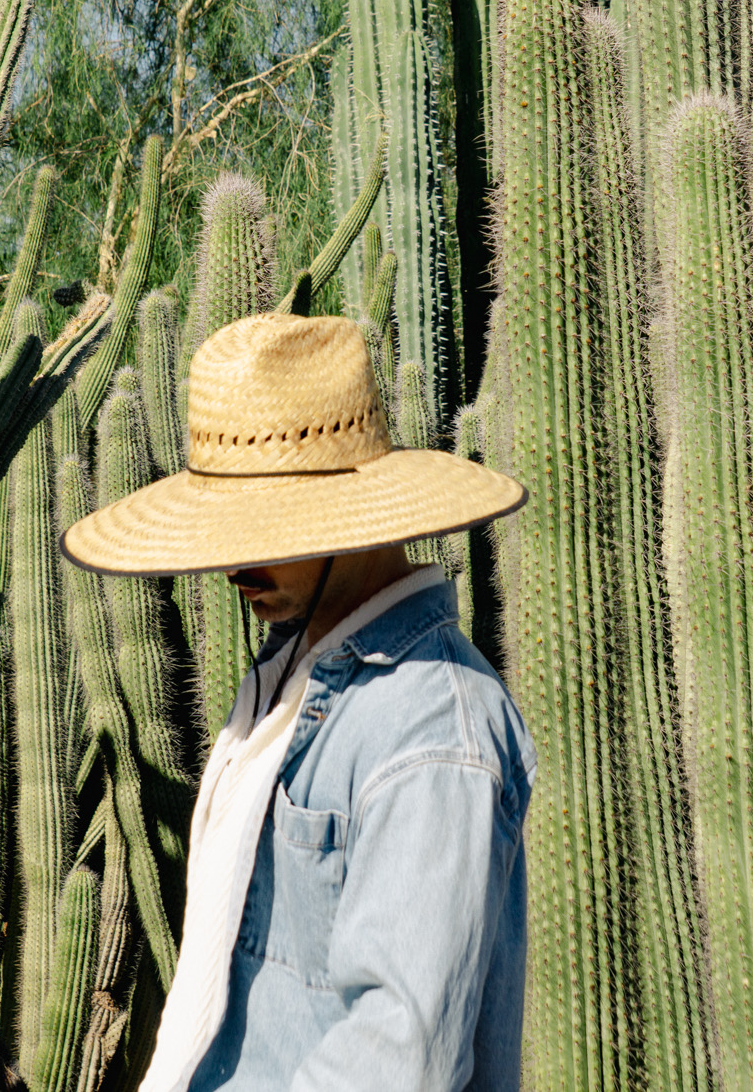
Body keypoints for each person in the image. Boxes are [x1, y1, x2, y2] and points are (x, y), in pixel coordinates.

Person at [62, 311, 533, 1092]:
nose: (230, 563)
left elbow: (397, 1058)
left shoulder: (431, 725)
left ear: (350, 516)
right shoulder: (294, 679)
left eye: (260, 527)